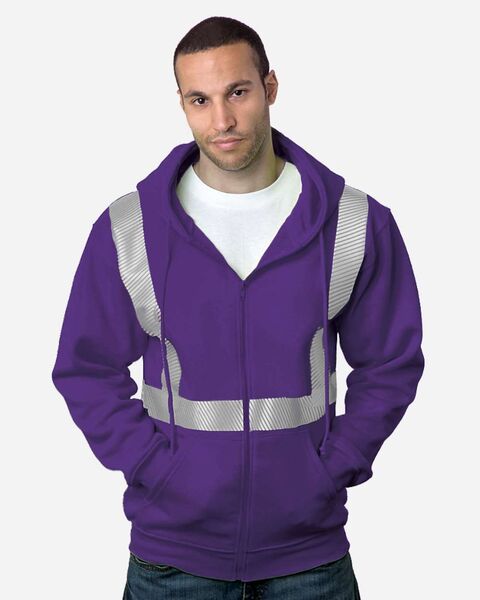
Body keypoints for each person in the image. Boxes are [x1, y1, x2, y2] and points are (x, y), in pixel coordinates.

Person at [51, 15, 425, 600]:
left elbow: (392, 363)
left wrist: (335, 467)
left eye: (238, 93)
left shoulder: (353, 222)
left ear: (270, 88)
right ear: (181, 103)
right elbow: (85, 369)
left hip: (310, 557)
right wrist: (155, 470)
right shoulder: (130, 228)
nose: (221, 120)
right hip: (172, 560)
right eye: (199, 100)